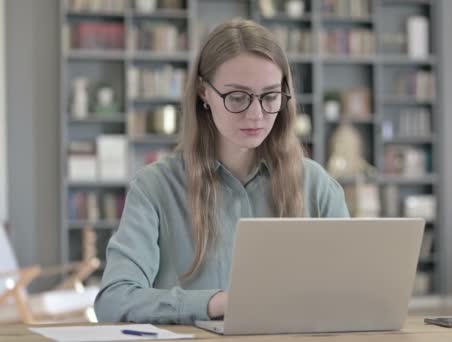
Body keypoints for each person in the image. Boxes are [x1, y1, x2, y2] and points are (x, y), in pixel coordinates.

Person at [94, 18, 349, 324]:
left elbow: (351, 294)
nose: (256, 114)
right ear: (204, 93)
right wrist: (216, 303)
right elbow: (113, 300)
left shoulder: (317, 185)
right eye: (237, 97)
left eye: (269, 97)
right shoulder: (155, 187)